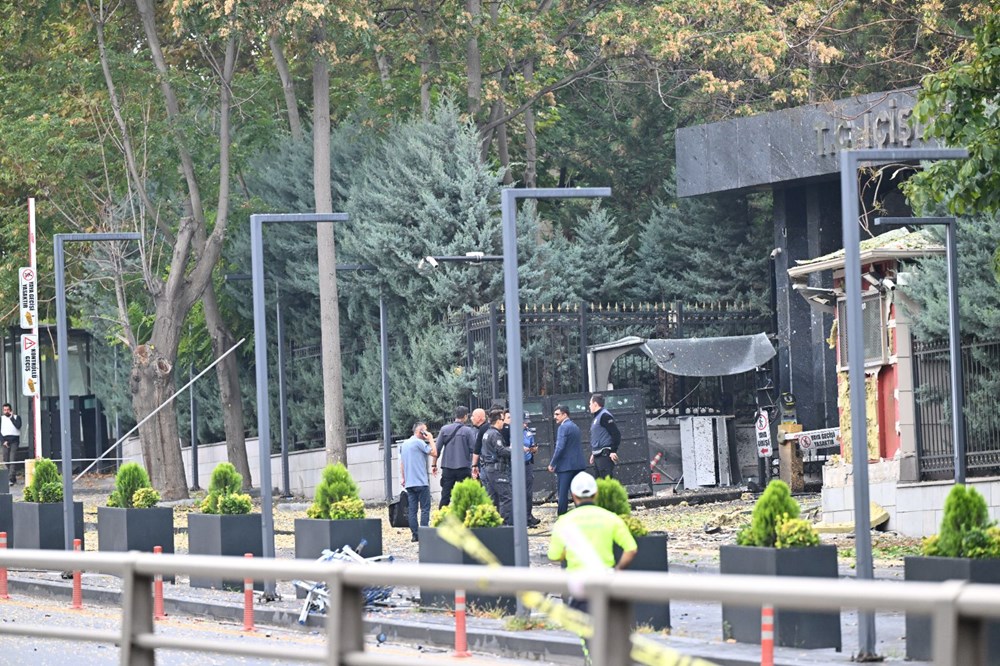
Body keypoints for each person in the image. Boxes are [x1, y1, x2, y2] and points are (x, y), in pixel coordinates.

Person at [547, 471, 637, 612]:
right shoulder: (610, 517)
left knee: (586, 629)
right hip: (605, 581)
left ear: (574, 496)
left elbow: (554, 556)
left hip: (578, 586)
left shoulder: (564, 521)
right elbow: (631, 549)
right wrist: (617, 570)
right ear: (595, 494)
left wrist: (567, 552)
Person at [399, 421, 437, 542]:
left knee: (412, 510)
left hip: (410, 482)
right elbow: (435, 453)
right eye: (425, 430)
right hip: (421, 482)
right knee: (425, 508)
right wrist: (431, 439)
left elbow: (402, 463)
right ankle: (424, 533)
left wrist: (403, 477)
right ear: (420, 431)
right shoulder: (419, 442)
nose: (426, 432)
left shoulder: (404, 444)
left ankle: (415, 534)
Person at [548, 405, 587, 515]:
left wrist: (552, 463)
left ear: (565, 414)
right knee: (578, 493)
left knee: (563, 494)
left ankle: (562, 517)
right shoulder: (575, 427)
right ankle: (583, 515)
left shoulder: (563, 427)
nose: (554, 417)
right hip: (578, 465)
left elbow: (560, 447)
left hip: (565, 467)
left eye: (557, 414)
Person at [436, 406, 476, 508]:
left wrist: (433, 464)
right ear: (465, 416)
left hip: (447, 467)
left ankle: (441, 519)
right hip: (463, 467)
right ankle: (465, 518)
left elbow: (437, 449)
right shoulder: (468, 431)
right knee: (466, 495)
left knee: (445, 495)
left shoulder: (444, 429)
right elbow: (474, 449)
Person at [479, 409, 512, 523]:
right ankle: (504, 524)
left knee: (492, 499)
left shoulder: (487, 433)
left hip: (488, 469)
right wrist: (513, 449)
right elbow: (501, 451)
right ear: (498, 420)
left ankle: (493, 524)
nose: (504, 423)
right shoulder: (495, 434)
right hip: (497, 470)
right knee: (506, 497)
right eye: (502, 420)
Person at [588, 393, 621, 479]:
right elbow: (599, 436)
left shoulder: (604, 416)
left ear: (595, 404)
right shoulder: (597, 417)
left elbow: (616, 434)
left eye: (590, 403)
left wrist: (613, 451)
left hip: (604, 456)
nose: (589, 406)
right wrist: (594, 453)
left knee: (606, 483)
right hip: (598, 455)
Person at [522, 413, 540, 527]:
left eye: (526, 422)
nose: (526, 424)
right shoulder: (511, 432)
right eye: (524, 422)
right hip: (516, 465)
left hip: (527, 463)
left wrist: (534, 449)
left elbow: (533, 447)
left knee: (528, 492)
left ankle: (528, 516)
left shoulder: (528, 433)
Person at [1, 403, 22, 485]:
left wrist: (12, 417)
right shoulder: (1, 418)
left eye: (8, 410)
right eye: (5, 410)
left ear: (11, 410)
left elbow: (18, 426)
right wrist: (3, 441)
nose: (6, 412)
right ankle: (12, 476)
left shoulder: (17, 417)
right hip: (5, 441)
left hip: (14, 441)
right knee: (6, 459)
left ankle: (10, 479)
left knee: (12, 459)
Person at [470, 407, 489, 484]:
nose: (471, 418)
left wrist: (474, 465)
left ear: (479, 418)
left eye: (473, 416)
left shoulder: (484, 430)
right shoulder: (476, 430)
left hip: (484, 466)